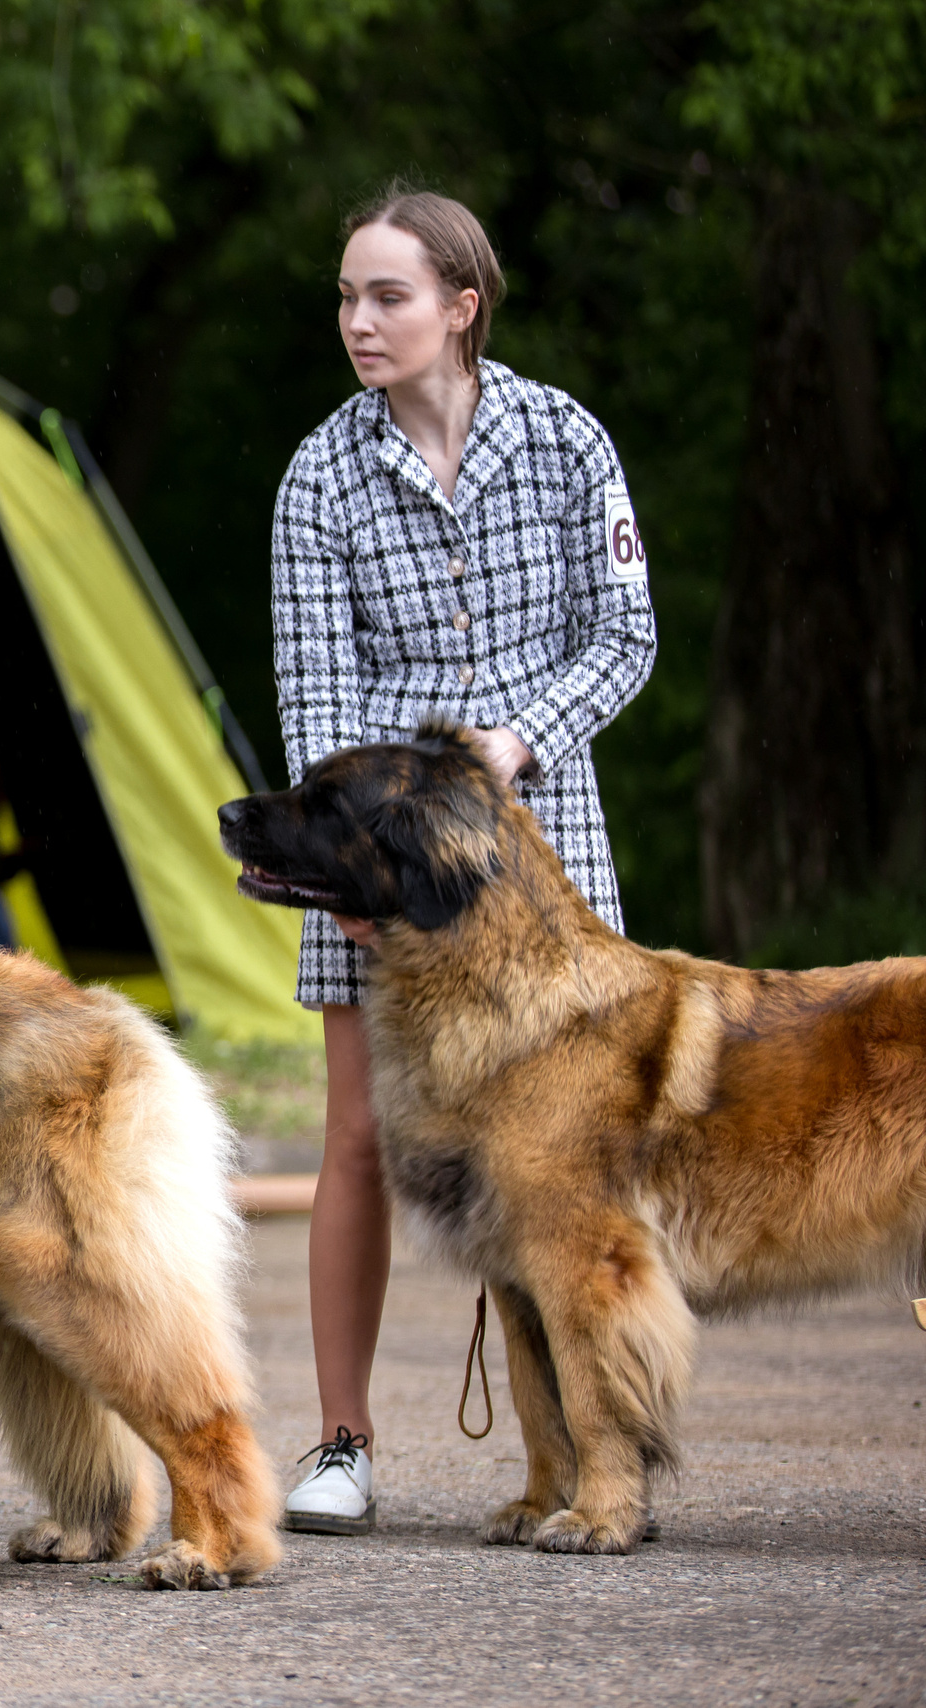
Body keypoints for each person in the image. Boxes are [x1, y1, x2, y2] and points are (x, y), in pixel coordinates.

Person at [269, 186, 656, 1535]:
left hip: (543, 846)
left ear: (461, 306)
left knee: (561, 1152)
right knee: (359, 1136)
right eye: (346, 297)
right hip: (375, 853)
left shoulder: (566, 440)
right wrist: (351, 878)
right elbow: (316, 698)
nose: (358, 321)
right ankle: (341, 1442)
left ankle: (588, 1449)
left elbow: (627, 635)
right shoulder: (320, 474)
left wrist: (517, 742)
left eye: (387, 296)